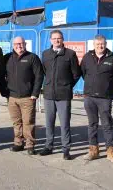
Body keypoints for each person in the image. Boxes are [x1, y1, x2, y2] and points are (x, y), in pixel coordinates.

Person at [81, 34, 113, 164]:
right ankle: (93, 150)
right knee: (92, 124)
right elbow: (83, 73)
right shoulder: (87, 57)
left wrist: (109, 87)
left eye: (102, 44)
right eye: (98, 44)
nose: (100, 46)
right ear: (94, 45)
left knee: (106, 125)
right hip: (89, 97)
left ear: (106, 44)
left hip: (105, 98)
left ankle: (111, 152)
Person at [39, 30, 81, 160]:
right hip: (49, 95)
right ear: (50, 40)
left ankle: (66, 149)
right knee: (49, 122)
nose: (57, 40)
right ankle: (48, 146)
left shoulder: (70, 54)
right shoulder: (45, 54)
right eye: (54, 38)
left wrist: (67, 86)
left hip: (64, 94)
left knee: (64, 123)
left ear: (62, 40)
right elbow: (44, 71)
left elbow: (76, 74)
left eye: (59, 38)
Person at [0, 36, 44, 155]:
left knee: (28, 122)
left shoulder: (32, 58)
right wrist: (4, 91)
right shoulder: (7, 58)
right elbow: (1, 76)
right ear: (13, 45)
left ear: (25, 44)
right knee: (16, 122)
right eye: (16, 44)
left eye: (21, 43)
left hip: (28, 97)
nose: (19, 46)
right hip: (12, 97)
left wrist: (35, 93)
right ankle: (18, 143)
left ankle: (30, 144)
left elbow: (39, 76)